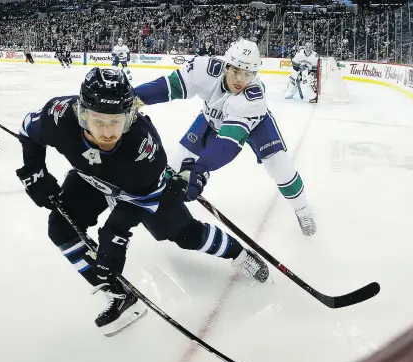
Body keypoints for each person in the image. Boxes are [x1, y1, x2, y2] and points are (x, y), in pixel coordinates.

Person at [16, 67, 270, 336]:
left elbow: (144, 199)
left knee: (186, 235)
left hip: (142, 190)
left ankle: (238, 253)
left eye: (115, 121)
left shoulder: (143, 145)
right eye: (98, 121)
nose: (106, 133)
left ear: (129, 117)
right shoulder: (58, 115)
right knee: (60, 228)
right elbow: (28, 130)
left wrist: (115, 234)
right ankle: (118, 294)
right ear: (82, 113)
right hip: (93, 179)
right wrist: (34, 171)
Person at [135, 39, 317, 236]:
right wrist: (131, 98)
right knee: (177, 162)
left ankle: (303, 210)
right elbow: (169, 86)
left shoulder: (253, 98)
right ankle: (153, 206)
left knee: (281, 168)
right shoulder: (204, 69)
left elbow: (227, 143)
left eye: (248, 74)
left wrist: (200, 169)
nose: (241, 79)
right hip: (211, 119)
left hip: (256, 125)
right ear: (226, 65)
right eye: (236, 70)